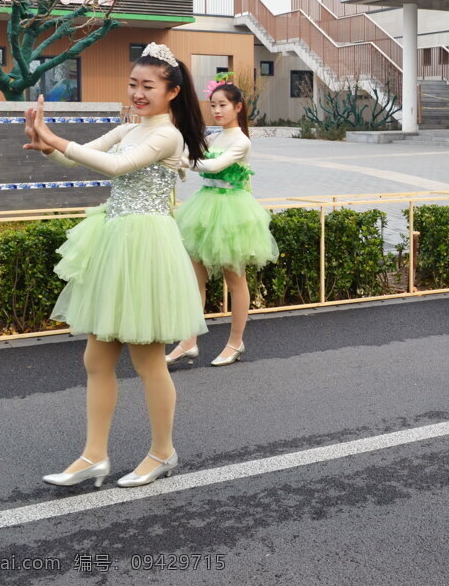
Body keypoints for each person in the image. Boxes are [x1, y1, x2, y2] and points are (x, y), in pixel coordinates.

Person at [28, 43, 209, 488]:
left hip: (145, 245)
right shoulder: (129, 127)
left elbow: (116, 167)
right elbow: (80, 155)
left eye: (148, 85)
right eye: (133, 84)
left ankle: (163, 452)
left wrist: (57, 139)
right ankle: (94, 456)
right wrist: (46, 144)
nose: (138, 92)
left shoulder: (167, 135)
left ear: (172, 91)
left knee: (148, 359)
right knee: (96, 357)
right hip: (116, 241)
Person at [166, 81, 279, 366]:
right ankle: (188, 341)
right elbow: (196, 158)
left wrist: (177, 159)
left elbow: (211, 166)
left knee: (234, 279)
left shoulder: (242, 141)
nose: (216, 110)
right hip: (205, 208)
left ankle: (235, 342)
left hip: (231, 213)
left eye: (222, 105)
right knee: (195, 278)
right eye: (213, 105)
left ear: (238, 107)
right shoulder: (214, 138)